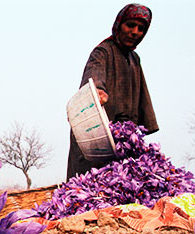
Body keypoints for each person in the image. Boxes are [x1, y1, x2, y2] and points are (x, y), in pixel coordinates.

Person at [67, 3, 159, 180]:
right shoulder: (103, 51)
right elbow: (94, 74)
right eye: (130, 25)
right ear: (119, 24)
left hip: (123, 139)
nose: (135, 32)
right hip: (96, 137)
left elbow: (142, 98)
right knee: (88, 187)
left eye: (141, 29)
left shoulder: (134, 59)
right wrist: (98, 91)